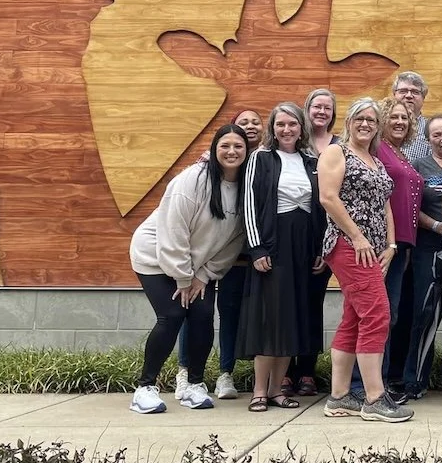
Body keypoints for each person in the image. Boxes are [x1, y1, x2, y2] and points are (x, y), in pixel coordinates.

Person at [128, 123, 249, 414]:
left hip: (196, 268)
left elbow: (232, 244)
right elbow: (173, 231)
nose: (231, 152)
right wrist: (184, 278)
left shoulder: (246, 188)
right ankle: (144, 388)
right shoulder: (192, 180)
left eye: (238, 147)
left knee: (203, 315)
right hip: (155, 256)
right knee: (171, 315)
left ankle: (194, 385)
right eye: (225, 146)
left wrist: (203, 276)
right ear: (215, 149)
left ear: (247, 152)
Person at [318, 98, 412, 423]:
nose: (366, 124)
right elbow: (327, 197)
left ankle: (340, 396)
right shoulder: (336, 152)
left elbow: (384, 203)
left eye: (372, 120)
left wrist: (390, 244)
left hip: (372, 248)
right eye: (360, 118)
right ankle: (374, 398)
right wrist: (357, 236)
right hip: (348, 245)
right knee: (377, 313)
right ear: (349, 121)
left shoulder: (374, 159)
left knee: (355, 318)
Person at [237, 103, 324, 411]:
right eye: (280, 124)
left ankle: (277, 390)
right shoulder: (261, 159)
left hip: (303, 246)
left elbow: (322, 207)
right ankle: (259, 390)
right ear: (272, 129)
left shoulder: (311, 160)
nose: (286, 130)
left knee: (293, 317)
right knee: (270, 318)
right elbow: (249, 203)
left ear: (302, 128)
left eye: (292, 124)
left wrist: (320, 249)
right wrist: (256, 248)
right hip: (273, 245)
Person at [175, 108, 264, 402]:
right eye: (243, 123)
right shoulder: (207, 165)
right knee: (196, 313)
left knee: (230, 314)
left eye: (255, 122)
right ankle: (186, 372)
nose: (250, 127)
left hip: (237, 259)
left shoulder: (262, 162)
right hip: (205, 255)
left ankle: (226, 373)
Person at [284, 89, 339, 397]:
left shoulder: (339, 146)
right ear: (307, 109)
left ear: (333, 113)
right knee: (287, 304)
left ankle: (306, 370)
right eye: (316, 106)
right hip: (293, 238)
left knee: (312, 305)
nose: (321, 111)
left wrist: (326, 247)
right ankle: (285, 371)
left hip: (325, 237)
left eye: (327, 108)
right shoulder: (296, 144)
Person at [404, 114, 442, 398]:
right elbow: (410, 208)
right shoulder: (418, 168)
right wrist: (436, 225)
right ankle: (415, 380)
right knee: (425, 313)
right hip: (429, 248)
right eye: (436, 135)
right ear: (428, 140)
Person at [376, 96, 425, 397]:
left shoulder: (399, 153)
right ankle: (363, 383)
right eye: (393, 116)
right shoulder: (377, 149)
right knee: (377, 313)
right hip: (382, 243)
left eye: (405, 118)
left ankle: (378, 382)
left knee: (389, 314)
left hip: (401, 246)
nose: (399, 122)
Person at [393, 71, 431, 160]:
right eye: (403, 91)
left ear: (423, 98)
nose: (409, 95)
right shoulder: (381, 126)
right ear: (394, 95)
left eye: (415, 92)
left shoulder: (430, 129)